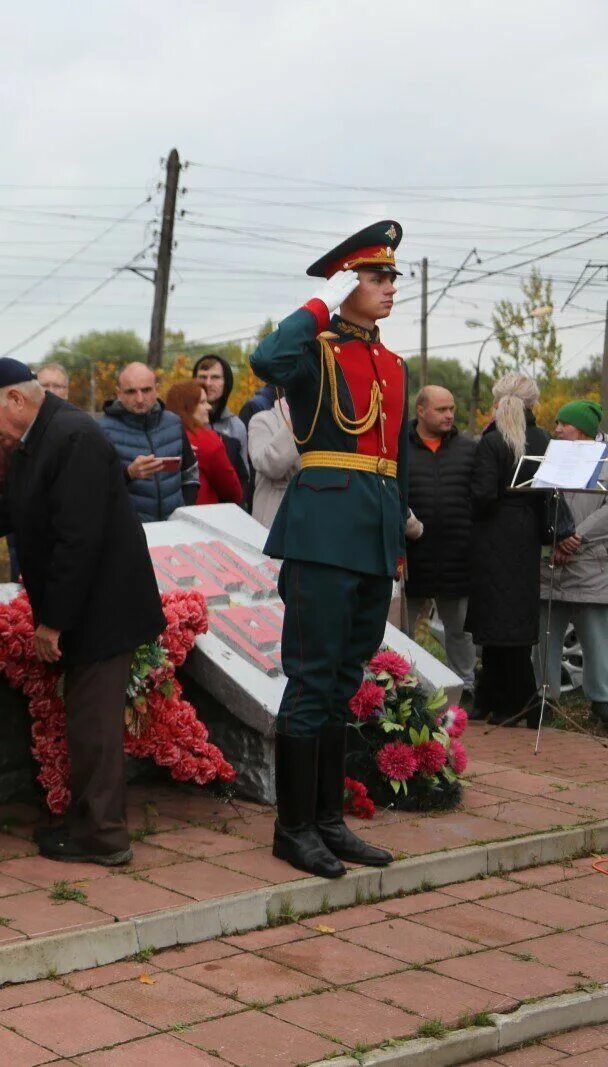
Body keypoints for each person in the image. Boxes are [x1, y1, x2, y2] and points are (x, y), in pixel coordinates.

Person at [249, 220, 408, 880]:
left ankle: (329, 820)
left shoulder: (395, 363)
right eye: (376, 276)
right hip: (320, 535)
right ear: (349, 282)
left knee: (345, 684)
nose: (389, 287)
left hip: (372, 536)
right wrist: (319, 302)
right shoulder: (313, 350)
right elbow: (264, 361)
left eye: (393, 278)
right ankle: (293, 828)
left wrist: (395, 539)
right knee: (312, 682)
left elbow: (394, 460)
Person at [0, 357, 163, 866]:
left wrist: (53, 622)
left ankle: (104, 837)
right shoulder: (38, 438)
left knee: (95, 728)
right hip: (88, 606)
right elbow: (15, 509)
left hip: (101, 609)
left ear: (16, 400)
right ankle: (90, 823)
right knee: (86, 723)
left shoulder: (73, 438)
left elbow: (79, 540)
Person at [467, 374, 573, 728]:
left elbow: (482, 496)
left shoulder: (491, 441)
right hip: (526, 535)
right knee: (517, 620)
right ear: (533, 404)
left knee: (494, 619)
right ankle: (511, 701)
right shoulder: (544, 439)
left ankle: (499, 700)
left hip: (493, 534)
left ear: (499, 403)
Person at [402, 386, 479, 707]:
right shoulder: (398, 449)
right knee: (403, 630)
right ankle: (403, 688)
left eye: (452, 409)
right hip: (411, 558)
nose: (450, 415)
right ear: (421, 411)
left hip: (457, 557)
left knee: (459, 631)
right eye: (442, 409)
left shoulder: (468, 450)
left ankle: (467, 689)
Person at [536, 400, 608, 723]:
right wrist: (556, 535)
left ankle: (602, 700)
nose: (557, 429)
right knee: (545, 636)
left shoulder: (605, 460)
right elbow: (543, 500)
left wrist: (576, 537)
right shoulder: (551, 458)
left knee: (595, 638)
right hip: (552, 561)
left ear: (579, 429)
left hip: (591, 564)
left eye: (562, 424)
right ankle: (544, 697)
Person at [98, 361, 198, 521]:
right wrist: (128, 474)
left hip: (174, 530)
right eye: (131, 391)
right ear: (118, 393)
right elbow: (92, 488)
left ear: (157, 389)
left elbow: (190, 473)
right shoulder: (100, 430)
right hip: (128, 535)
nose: (140, 398)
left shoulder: (174, 422)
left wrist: (184, 511)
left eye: (146, 390)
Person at [165, 381, 243, 506]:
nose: (209, 407)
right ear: (187, 406)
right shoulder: (206, 439)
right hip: (202, 516)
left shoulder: (161, 437)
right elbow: (232, 491)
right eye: (202, 402)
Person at [193, 354, 251, 496]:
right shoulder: (182, 423)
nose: (208, 383)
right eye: (202, 377)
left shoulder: (236, 426)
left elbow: (243, 477)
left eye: (215, 377)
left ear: (226, 382)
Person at [248, 397, 299, 527]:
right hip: (273, 519)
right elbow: (269, 465)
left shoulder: (328, 418)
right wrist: (301, 417)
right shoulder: (262, 420)